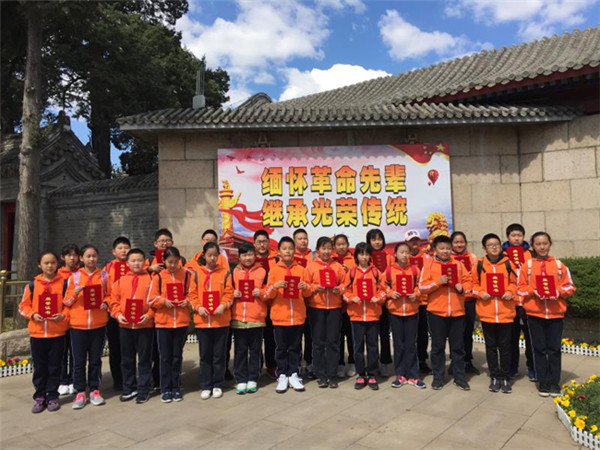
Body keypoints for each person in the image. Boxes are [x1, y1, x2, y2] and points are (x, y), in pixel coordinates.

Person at [517, 232, 576, 397]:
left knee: (554, 349)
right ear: (533, 246)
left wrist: (558, 292)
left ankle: (554, 383)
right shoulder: (527, 266)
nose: (542, 247)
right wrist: (533, 291)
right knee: (539, 349)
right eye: (538, 244)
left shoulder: (559, 265)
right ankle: (543, 382)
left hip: (556, 314)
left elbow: (570, 287)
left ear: (550, 244)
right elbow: (520, 288)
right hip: (535, 314)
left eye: (545, 243)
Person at [419, 235, 472, 391]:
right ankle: (438, 377)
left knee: (458, 347)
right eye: (441, 248)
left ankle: (460, 377)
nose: (445, 251)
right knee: (437, 347)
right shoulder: (429, 265)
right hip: (436, 313)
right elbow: (422, 287)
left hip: (457, 312)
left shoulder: (458, 265)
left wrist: (462, 288)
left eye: (448, 248)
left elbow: (469, 282)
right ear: (435, 250)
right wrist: (437, 283)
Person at [19, 251, 70, 413]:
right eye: (46, 263)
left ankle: (52, 396)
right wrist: (33, 314)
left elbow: (69, 306)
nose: (50, 266)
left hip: (57, 333)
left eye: (53, 262)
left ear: (57, 264)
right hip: (37, 333)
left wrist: (63, 315)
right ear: (39, 265)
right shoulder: (32, 285)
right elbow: (23, 306)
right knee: (40, 367)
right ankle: (40, 396)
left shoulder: (64, 284)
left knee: (55, 367)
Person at [63, 245, 109, 409]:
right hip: (78, 326)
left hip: (98, 324)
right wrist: (75, 292)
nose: (91, 259)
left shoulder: (103, 276)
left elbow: (110, 296)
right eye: (88, 256)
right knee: (79, 361)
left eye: (94, 256)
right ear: (81, 258)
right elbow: (66, 301)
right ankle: (80, 391)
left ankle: (95, 390)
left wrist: (106, 303)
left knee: (95, 359)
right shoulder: (74, 277)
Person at [472, 234, 518, 394]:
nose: (494, 247)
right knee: (491, 347)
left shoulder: (508, 263)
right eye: (490, 245)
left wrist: (510, 292)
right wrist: (480, 293)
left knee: (505, 347)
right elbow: (472, 284)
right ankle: (494, 376)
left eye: (497, 244)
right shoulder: (479, 264)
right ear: (484, 248)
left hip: (505, 312)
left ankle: (505, 377)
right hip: (487, 313)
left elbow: (515, 283)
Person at [265, 237, 312, 393]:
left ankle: (293, 374)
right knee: (280, 348)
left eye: (290, 248)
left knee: (294, 348)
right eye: (284, 248)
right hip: (280, 317)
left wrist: (305, 287)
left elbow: (308, 293)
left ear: (294, 251)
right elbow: (267, 295)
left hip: (297, 317)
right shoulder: (274, 270)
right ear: (279, 251)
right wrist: (275, 286)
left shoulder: (301, 270)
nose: (288, 251)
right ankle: (282, 375)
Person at [109, 248, 155, 404]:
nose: (136, 263)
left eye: (140, 260)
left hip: (145, 326)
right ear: (127, 263)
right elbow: (114, 302)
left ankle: (143, 389)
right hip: (125, 327)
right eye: (133, 260)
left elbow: (155, 301)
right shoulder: (120, 281)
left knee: (144, 359)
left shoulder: (151, 280)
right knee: (127, 359)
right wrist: (118, 315)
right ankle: (129, 387)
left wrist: (149, 315)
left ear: (145, 262)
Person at [149, 246, 195, 403]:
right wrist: (163, 301)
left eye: (176, 262)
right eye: (170, 262)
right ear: (164, 261)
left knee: (177, 356)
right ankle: (165, 389)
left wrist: (187, 301)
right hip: (163, 323)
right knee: (165, 357)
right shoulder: (158, 277)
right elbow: (151, 299)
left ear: (180, 261)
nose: (173, 265)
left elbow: (192, 294)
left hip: (181, 322)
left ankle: (176, 387)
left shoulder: (186, 276)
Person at [190, 242, 233, 400]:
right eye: (209, 255)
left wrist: (223, 305)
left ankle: (217, 384)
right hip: (202, 322)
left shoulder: (225, 273)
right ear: (204, 255)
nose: (213, 258)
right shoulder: (197, 274)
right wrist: (198, 307)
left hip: (220, 321)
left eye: (215, 255)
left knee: (219, 355)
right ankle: (206, 385)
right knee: (205, 355)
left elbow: (229, 293)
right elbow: (192, 295)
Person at [343, 243, 386, 391]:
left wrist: (378, 298)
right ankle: (361, 374)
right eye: (361, 254)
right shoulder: (351, 273)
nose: (364, 257)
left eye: (367, 254)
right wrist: (351, 298)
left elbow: (384, 290)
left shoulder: (375, 272)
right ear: (356, 256)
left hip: (373, 315)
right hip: (356, 316)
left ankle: (372, 374)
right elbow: (344, 291)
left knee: (373, 346)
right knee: (358, 347)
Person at [305, 237, 347, 388]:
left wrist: (339, 289)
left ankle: (332, 375)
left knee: (333, 342)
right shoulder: (311, 266)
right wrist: (314, 288)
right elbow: (305, 286)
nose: (327, 251)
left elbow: (345, 283)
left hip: (334, 308)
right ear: (317, 250)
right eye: (323, 248)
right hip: (316, 307)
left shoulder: (338, 266)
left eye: (329, 248)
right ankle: (321, 375)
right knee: (318, 343)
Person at [385, 243, 426, 389]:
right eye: (401, 252)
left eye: (407, 252)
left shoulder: (415, 270)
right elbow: (383, 287)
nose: (404, 255)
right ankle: (400, 374)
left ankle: (413, 375)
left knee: (411, 344)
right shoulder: (389, 271)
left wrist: (416, 294)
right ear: (395, 254)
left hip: (411, 311)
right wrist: (390, 293)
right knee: (398, 344)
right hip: (395, 312)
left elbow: (421, 286)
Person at [231, 243, 267, 394]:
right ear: (239, 257)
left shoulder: (262, 271)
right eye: (244, 255)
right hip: (239, 317)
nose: (247, 258)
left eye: (250, 254)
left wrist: (261, 292)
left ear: (255, 255)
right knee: (240, 350)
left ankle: (253, 378)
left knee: (255, 349)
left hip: (256, 317)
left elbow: (269, 290)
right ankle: (240, 379)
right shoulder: (234, 272)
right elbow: (227, 290)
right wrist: (233, 293)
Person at [503, 223, 535, 381]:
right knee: (511, 338)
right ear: (508, 237)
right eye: (513, 235)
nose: (516, 238)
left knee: (531, 338)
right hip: (510, 303)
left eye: (519, 235)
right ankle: (512, 368)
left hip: (529, 302)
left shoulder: (531, 254)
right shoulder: (502, 255)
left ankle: (533, 368)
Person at [103, 236, 131, 391]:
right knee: (115, 347)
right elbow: (103, 291)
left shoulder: (135, 265)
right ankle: (118, 380)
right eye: (120, 248)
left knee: (130, 347)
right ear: (114, 251)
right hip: (113, 313)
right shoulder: (107, 269)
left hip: (131, 312)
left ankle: (130, 378)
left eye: (126, 247)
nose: (123, 250)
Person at [450, 231, 480, 376]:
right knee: (454, 334)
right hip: (454, 301)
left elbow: (477, 278)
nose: (459, 245)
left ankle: (467, 360)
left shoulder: (473, 258)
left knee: (468, 332)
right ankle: (455, 362)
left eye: (461, 242)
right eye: (456, 242)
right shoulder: (447, 259)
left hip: (469, 300)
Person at [366, 229, 393, 377]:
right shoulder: (366, 257)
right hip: (370, 302)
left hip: (386, 300)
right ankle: (372, 363)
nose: (377, 242)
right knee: (371, 336)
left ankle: (385, 362)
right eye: (373, 239)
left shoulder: (389, 257)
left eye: (379, 239)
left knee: (384, 333)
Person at [405, 230, 431, 375]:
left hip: (424, 302)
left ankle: (422, 360)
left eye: (416, 240)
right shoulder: (403, 258)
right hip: (408, 301)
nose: (414, 243)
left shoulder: (428, 258)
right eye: (411, 240)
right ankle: (409, 361)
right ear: (406, 243)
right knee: (409, 334)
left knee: (422, 333)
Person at [253, 229, 278, 379]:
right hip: (255, 306)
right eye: (259, 242)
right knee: (256, 340)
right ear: (254, 243)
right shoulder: (249, 259)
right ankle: (256, 366)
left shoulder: (276, 259)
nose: (262, 245)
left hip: (272, 305)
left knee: (271, 338)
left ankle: (272, 365)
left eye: (264, 242)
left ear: (269, 243)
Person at [57, 243, 80, 396]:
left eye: (75, 255)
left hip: (77, 318)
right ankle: (62, 380)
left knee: (75, 352)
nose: (72, 258)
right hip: (60, 318)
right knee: (61, 351)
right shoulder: (57, 275)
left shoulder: (81, 274)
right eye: (69, 255)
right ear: (63, 257)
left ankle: (73, 379)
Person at [333, 234, 356, 378]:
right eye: (338, 244)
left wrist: (348, 273)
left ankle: (353, 362)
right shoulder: (331, 260)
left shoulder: (353, 260)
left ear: (348, 244)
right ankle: (340, 363)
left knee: (351, 335)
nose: (341, 247)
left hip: (351, 305)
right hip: (336, 304)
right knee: (338, 336)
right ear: (334, 247)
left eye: (343, 244)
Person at [293, 228, 314, 379]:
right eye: (299, 238)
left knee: (310, 336)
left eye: (305, 238)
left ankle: (310, 363)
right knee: (296, 337)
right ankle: (297, 364)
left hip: (311, 302)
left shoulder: (313, 256)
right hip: (296, 303)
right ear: (294, 241)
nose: (303, 241)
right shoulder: (289, 257)